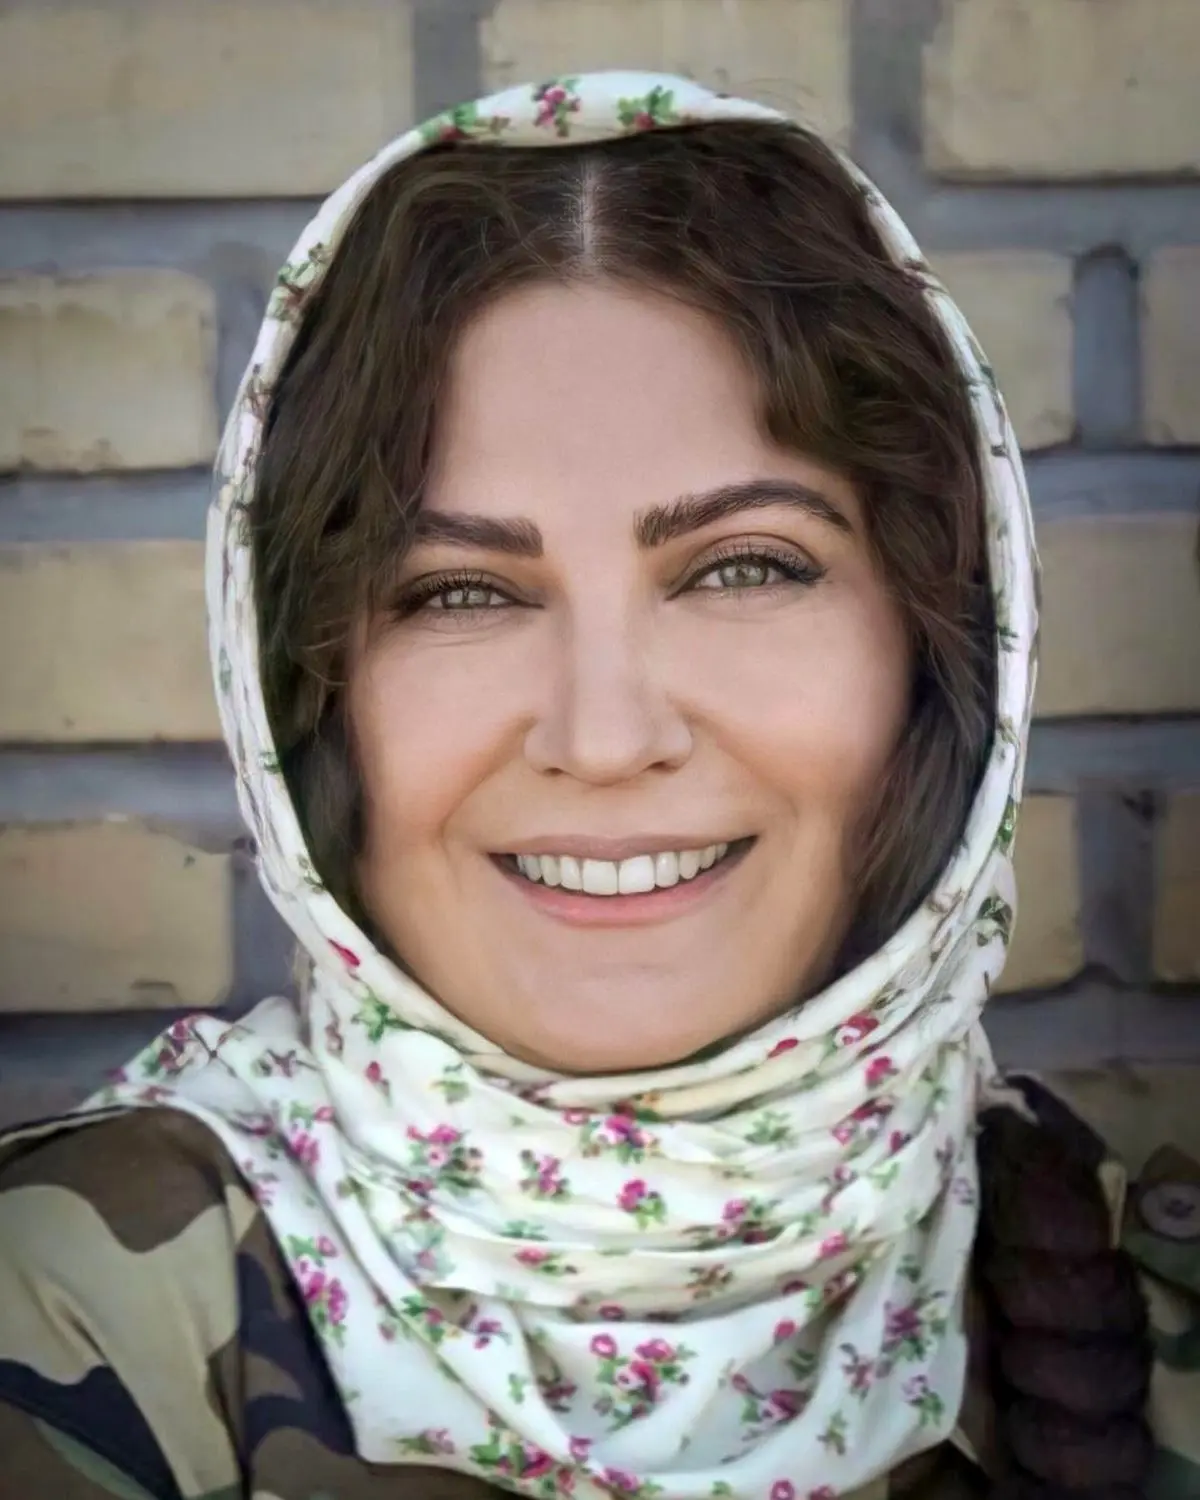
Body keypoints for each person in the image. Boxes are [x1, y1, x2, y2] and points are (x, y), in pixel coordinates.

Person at [0, 70, 1194, 1500]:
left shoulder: (1142, 1314)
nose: (608, 734)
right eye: (459, 591)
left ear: (942, 666)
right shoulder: (71, 1305)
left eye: (743, 567)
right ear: (304, 701)